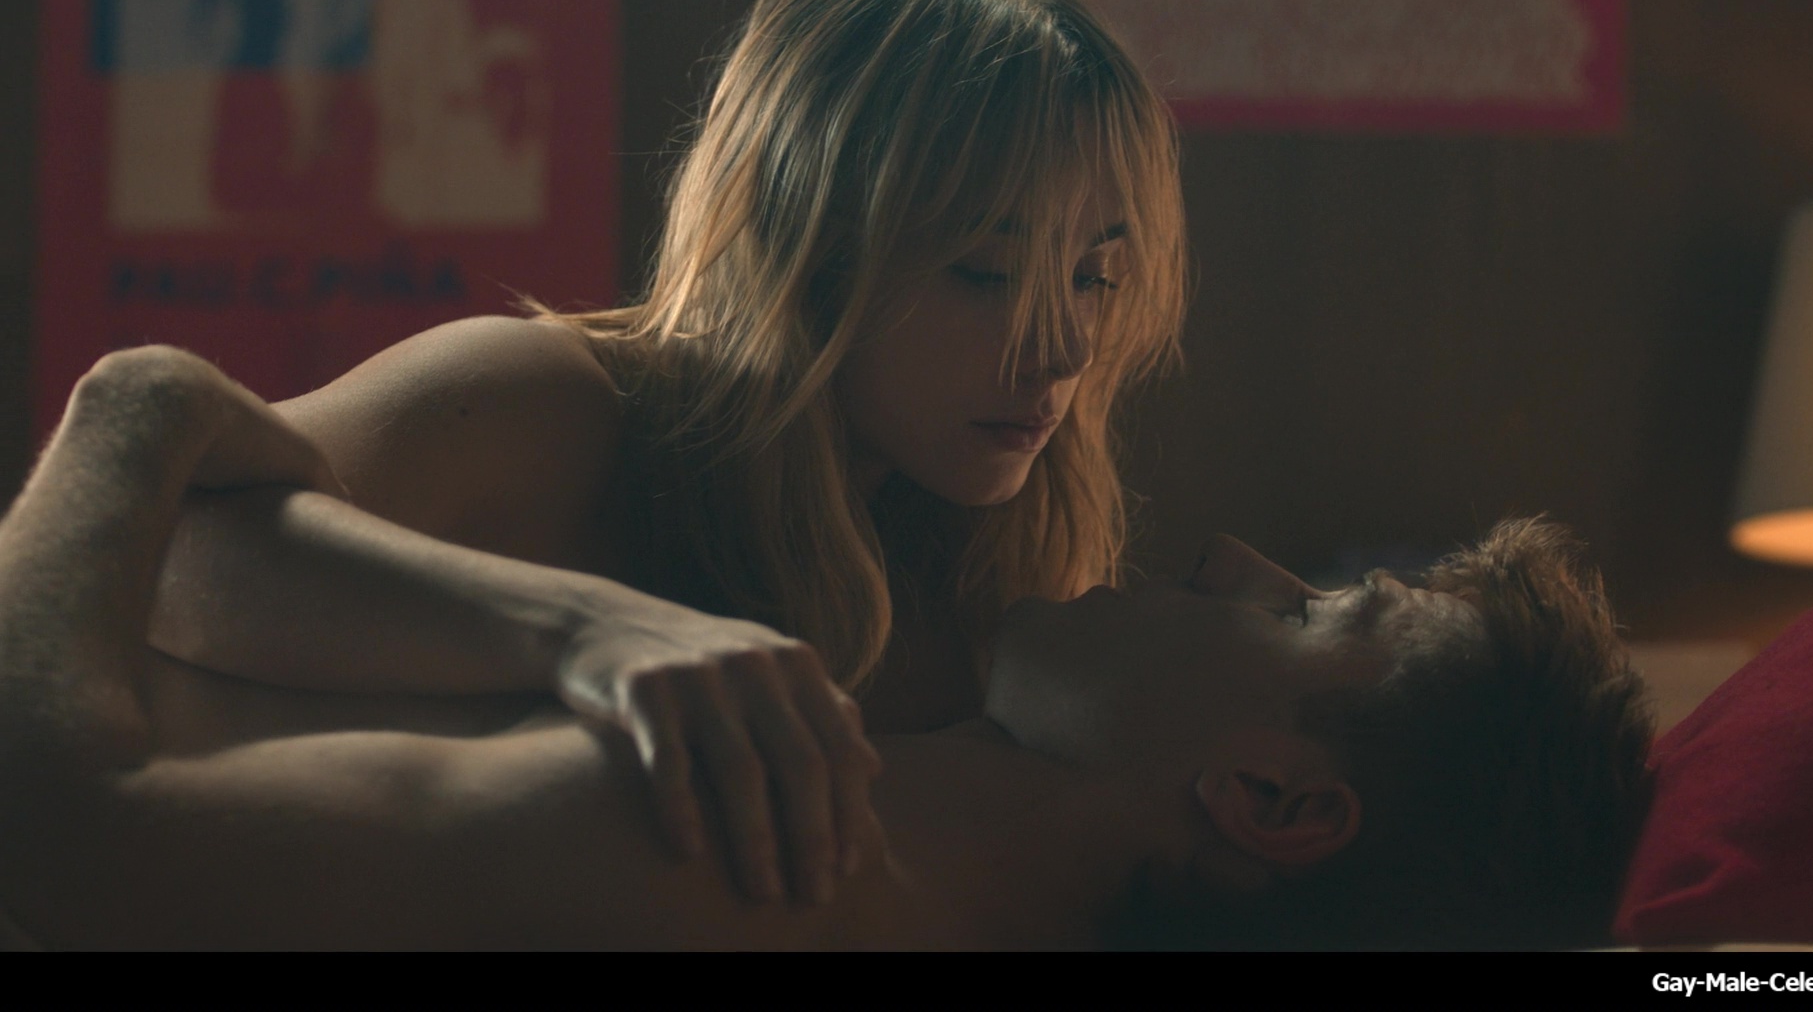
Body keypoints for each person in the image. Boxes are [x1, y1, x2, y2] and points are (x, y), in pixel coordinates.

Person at [1, 348, 1652, 950]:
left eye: (1305, 618)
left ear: (1270, 801)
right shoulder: (851, 790)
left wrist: (138, 406)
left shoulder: (755, 842)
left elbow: (59, 837)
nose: (1229, 560)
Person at [145, 0, 1188, 906]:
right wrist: (582, 631)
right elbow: (153, 541)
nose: (1065, 349)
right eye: (990, 272)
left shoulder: (976, 574)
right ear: (811, 240)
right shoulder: (547, 405)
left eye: (1095, 277)